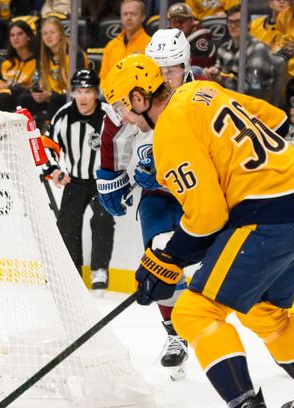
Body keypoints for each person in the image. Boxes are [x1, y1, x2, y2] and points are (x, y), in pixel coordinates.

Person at [103, 53, 294, 408]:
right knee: (262, 310)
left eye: (120, 109)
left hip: (266, 217)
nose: (123, 119)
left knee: (193, 312)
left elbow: (208, 217)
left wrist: (169, 258)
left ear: (138, 97)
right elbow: (274, 119)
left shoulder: (168, 135)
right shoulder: (201, 90)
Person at [96, 29, 193, 381]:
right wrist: (109, 176)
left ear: (186, 66)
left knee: (219, 265)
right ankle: (176, 336)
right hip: (157, 195)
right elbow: (111, 131)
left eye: (173, 68)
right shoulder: (136, 92)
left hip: (198, 192)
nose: (165, 76)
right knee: (160, 257)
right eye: (159, 68)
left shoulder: (195, 98)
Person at [44, 70, 115, 291]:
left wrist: (115, 173)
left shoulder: (108, 116)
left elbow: (122, 144)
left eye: (88, 92)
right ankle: (73, 274)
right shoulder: (63, 115)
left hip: (101, 180)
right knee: (67, 225)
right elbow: (48, 145)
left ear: (96, 93)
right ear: (72, 93)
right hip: (74, 180)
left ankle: (99, 270)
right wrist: (54, 170)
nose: (83, 97)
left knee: (103, 219)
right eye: (79, 91)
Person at [18, 16, 88, 129]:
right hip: (51, 96)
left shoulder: (74, 53)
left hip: (73, 96)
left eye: (52, 32)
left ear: (61, 34)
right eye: (45, 33)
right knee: (24, 98)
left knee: (55, 100)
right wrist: (39, 94)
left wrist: (50, 95)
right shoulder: (43, 56)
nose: (48, 36)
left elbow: (77, 87)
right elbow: (43, 82)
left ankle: (51, 136)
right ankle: (25, 134)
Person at [203, 5, 276, 101]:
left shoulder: (258, 49)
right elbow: (218, 72)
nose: (233, 26)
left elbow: (254, 88)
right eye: (230, 22)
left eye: (238, 22)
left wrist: (222, 79)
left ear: (249, 24)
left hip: (253, 106)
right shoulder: (223, 49)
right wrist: (213, 73)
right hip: (228, 102)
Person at [0, 19, 38, 112]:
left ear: (28, 37)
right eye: (12, 35)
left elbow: (34, 87)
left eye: (20, 34)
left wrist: (9, 87)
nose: (15, 38)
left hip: (21, 98)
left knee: (3, 98)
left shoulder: (37, 61)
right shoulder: (4, 60)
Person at [99, 0, 150, 81]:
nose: (128, 18)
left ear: (143, 17)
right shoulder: (111, 46)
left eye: (133, 14)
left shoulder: (150, 45)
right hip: (112, 93)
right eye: (125, 14)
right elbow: (103, 78)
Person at [166, 3, 217, 71]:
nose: (178, 25)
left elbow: (199, 66)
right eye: (174, 22)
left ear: (192, 21)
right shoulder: (164, 38)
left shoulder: (201, 41)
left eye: (182, 21)